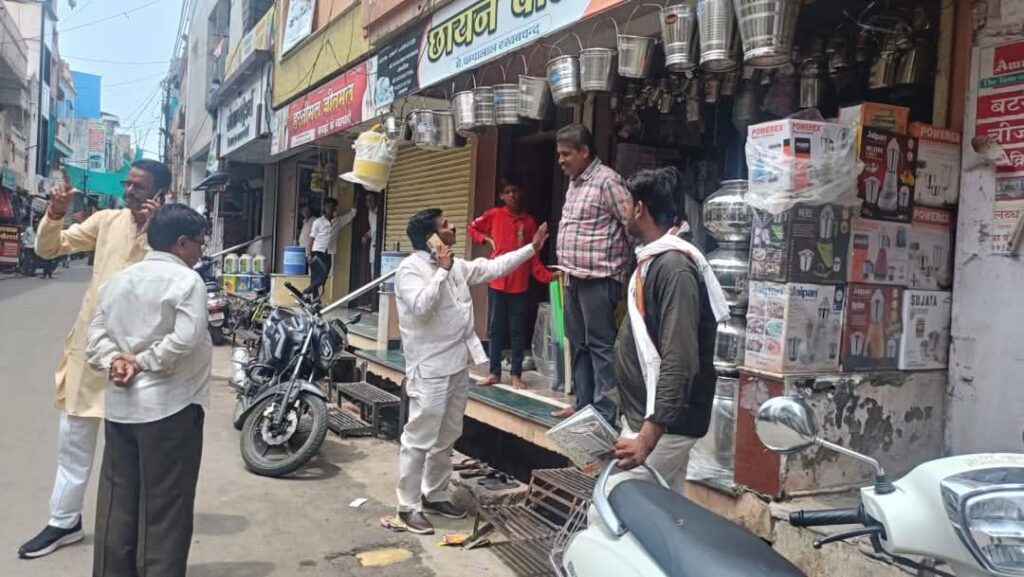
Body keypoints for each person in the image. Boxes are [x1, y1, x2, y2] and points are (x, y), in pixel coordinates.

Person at [18, 159, 167, 560]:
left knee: (136, 453)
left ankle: (136, 532)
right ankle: (64, 520)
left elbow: (177, 277)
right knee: (74, 441)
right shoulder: (106, 221)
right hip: (91, 349)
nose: (129, 191)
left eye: (138, 186)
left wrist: (154, 234)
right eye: (127, 184)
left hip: (140, 359)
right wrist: (55, 213)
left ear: (159, 193)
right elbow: (49, 248)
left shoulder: (170, 229)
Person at [392, 208, 549, 534]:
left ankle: (434, 494)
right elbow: (420, 307)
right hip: (429, 367)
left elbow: (492, 267)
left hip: (457, 364)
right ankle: (408, 506)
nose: (453, 227)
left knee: (448, 435)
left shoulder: (457, 266)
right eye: (445, 226)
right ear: (431, 238)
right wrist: (441, 271)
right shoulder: (410, 270)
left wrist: (531, 249)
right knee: (419, 438)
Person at [85, 203, 210, 577]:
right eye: (200, 243)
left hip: (121, 409)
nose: (202, 251)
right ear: (182, 243)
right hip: (170, 408)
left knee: (118, 503)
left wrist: (115, 361)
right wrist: (141, 362)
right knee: (166, 510)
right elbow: (185, 338)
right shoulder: (187, 281)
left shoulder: (119, 280)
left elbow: (95, 337)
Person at [613, 167, 729, 493]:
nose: (623, 212)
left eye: (627, 204)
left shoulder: (674, 268)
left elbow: (680, 358)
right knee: (665, 509)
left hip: (663, 426)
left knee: (614, 504)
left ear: (640, 209)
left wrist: (648, 437)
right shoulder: (655, 260)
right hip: (650, 416)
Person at [553, 124, 633, 423]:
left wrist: (631, 269)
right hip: (573, 277)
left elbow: (631, 224)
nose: (561, 160)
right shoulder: (574, 183)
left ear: (584, 152)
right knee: (578, 343)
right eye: (559, 154)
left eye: (566, 154)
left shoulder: (608, 181)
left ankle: (605, 410)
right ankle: (583, 403)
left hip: (599, 278)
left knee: (600, 345)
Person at [468, 179, 555, 389]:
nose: (511, 195)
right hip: (497, 282)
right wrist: (484, 239)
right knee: (495, 329)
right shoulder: (494, 214)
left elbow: (533, 256)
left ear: (520, 193)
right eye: (507, 192)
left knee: (517, 330)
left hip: (520, 283)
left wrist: (547, 276)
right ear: (501, 196)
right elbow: (472, 227)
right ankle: (494, 373)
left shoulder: (529, 222)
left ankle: (516, 375)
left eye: (514, 191)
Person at [305, 197, 356, 300]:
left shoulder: (338, 221)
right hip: (317, 252)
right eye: (328, 206)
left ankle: (308, 293)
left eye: (332, 207)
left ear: (335, 209)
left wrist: (356, 200)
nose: (330, 209)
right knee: (316, 277)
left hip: (328, 253)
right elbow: (311, 238)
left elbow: (351, 215)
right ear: (324, 207)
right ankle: (313, 299)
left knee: (324, 277)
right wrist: (309, 254)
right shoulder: (318, 222)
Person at [363, 193, 380, 277]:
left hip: (380, 246)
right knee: (373, 275)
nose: (369, 202)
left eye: (371, 200)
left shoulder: (380, 212)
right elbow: (373, 228)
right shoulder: (370, 213)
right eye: (367, 200)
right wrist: (366, 235)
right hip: (373, 246)